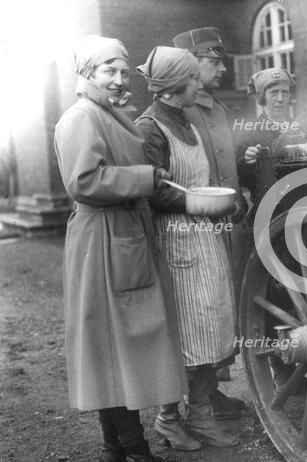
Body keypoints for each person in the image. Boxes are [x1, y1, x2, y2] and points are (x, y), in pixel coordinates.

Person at [54, 35, 186, 462]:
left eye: (123, 71)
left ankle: (116, 446)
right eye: (108, 71)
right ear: (87, 73)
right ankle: (135, 448)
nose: (117, 79)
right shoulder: (80, 118)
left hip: (122, 236)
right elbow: (85, 182)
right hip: (101, 241)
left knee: (112, 346)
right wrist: (146, 178)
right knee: (110, 346)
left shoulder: (108, 114)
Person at [136, 45, 240, 450]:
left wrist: (210, 203)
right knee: (184, 332)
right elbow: (151, 190)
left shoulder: (187, 119)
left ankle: (199, 414)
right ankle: (169, 419)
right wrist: (195, 202)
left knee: (210, 327)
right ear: (174, 84)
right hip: (175, 240)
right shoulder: (150, 128)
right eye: (194, 77)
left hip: (203, 234)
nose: (200, 82)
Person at [173, 27, 250, 399]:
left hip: (223, 222)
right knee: (197, 308)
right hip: (193, 225)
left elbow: (225, 162)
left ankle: (211, 387)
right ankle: (197, 394)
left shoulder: (219, 109)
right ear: (192, 64)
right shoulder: (181, 110)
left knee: (220, 302)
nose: (222, 69)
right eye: (214, 62)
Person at [235, 66, 296, 209]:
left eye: (285, 93)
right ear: (262, 97)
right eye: (274, 92)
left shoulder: (300, 127)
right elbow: (241, 177)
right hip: (268, 210)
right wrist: (248, 160)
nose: (280, 99)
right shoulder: (250, 133)